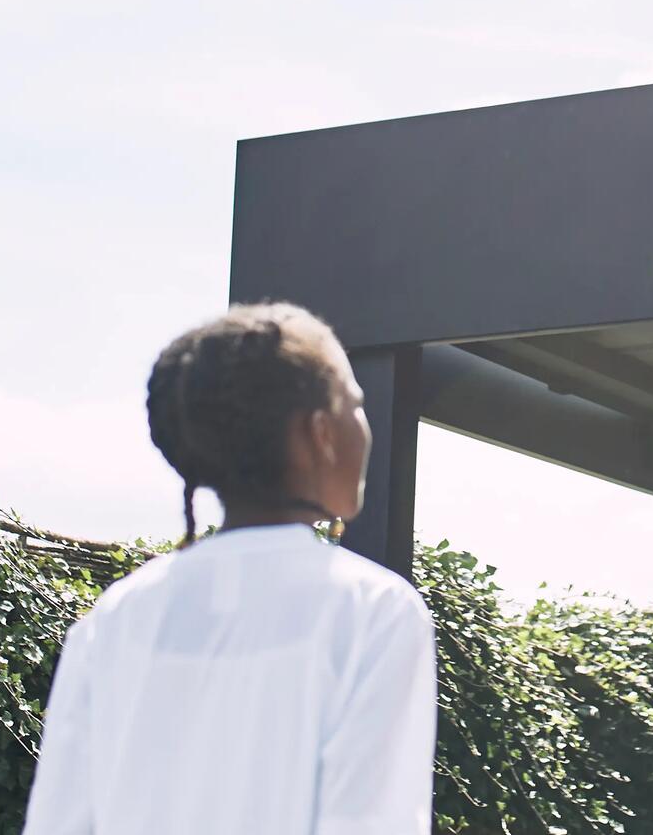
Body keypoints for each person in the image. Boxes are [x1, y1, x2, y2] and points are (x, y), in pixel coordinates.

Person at [23, 302, 436, 835]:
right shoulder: (374, 611)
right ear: (320, 434)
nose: (367, 424)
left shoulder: (117, 616)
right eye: (356, 404)